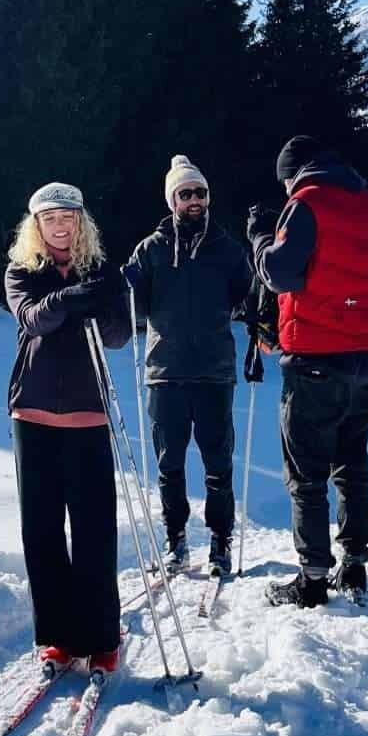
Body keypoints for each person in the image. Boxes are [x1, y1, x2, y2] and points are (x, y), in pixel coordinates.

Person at [247, 135, 368, 608]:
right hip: (365, 357)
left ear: (293, 173)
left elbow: (280, 273)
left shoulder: (306, 202)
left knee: (307, 473)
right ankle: (355, 565)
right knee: (353, 464)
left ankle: (311, 579)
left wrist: (260, 237)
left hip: (315, 355)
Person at [5, 181, 131, 673]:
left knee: (94, 527)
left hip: (87, 412)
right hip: (33, 413)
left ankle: (101, 637)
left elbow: (118, 336)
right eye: (50, 219)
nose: (59, 226)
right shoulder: (22, 271)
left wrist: (106, 299)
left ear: (81, 223)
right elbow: (33, 319)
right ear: (36, 225)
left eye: (68, 218)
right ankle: (58, 636)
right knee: (41, 530)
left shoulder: (101, 271)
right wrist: (75, 297)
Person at [125, 154, 252, 576]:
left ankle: (220, 541)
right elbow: (134, 309)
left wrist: (260, 319)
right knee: (169, 465)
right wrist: (126, 288)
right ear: (172, 201)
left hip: (215, 371)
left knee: (219, 463)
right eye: (185, 194)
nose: (194, 200)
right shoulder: (151, 250)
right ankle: (175, 539)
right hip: (165, 371)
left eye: (200, 193)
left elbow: (247, 298)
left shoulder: (227, 250)